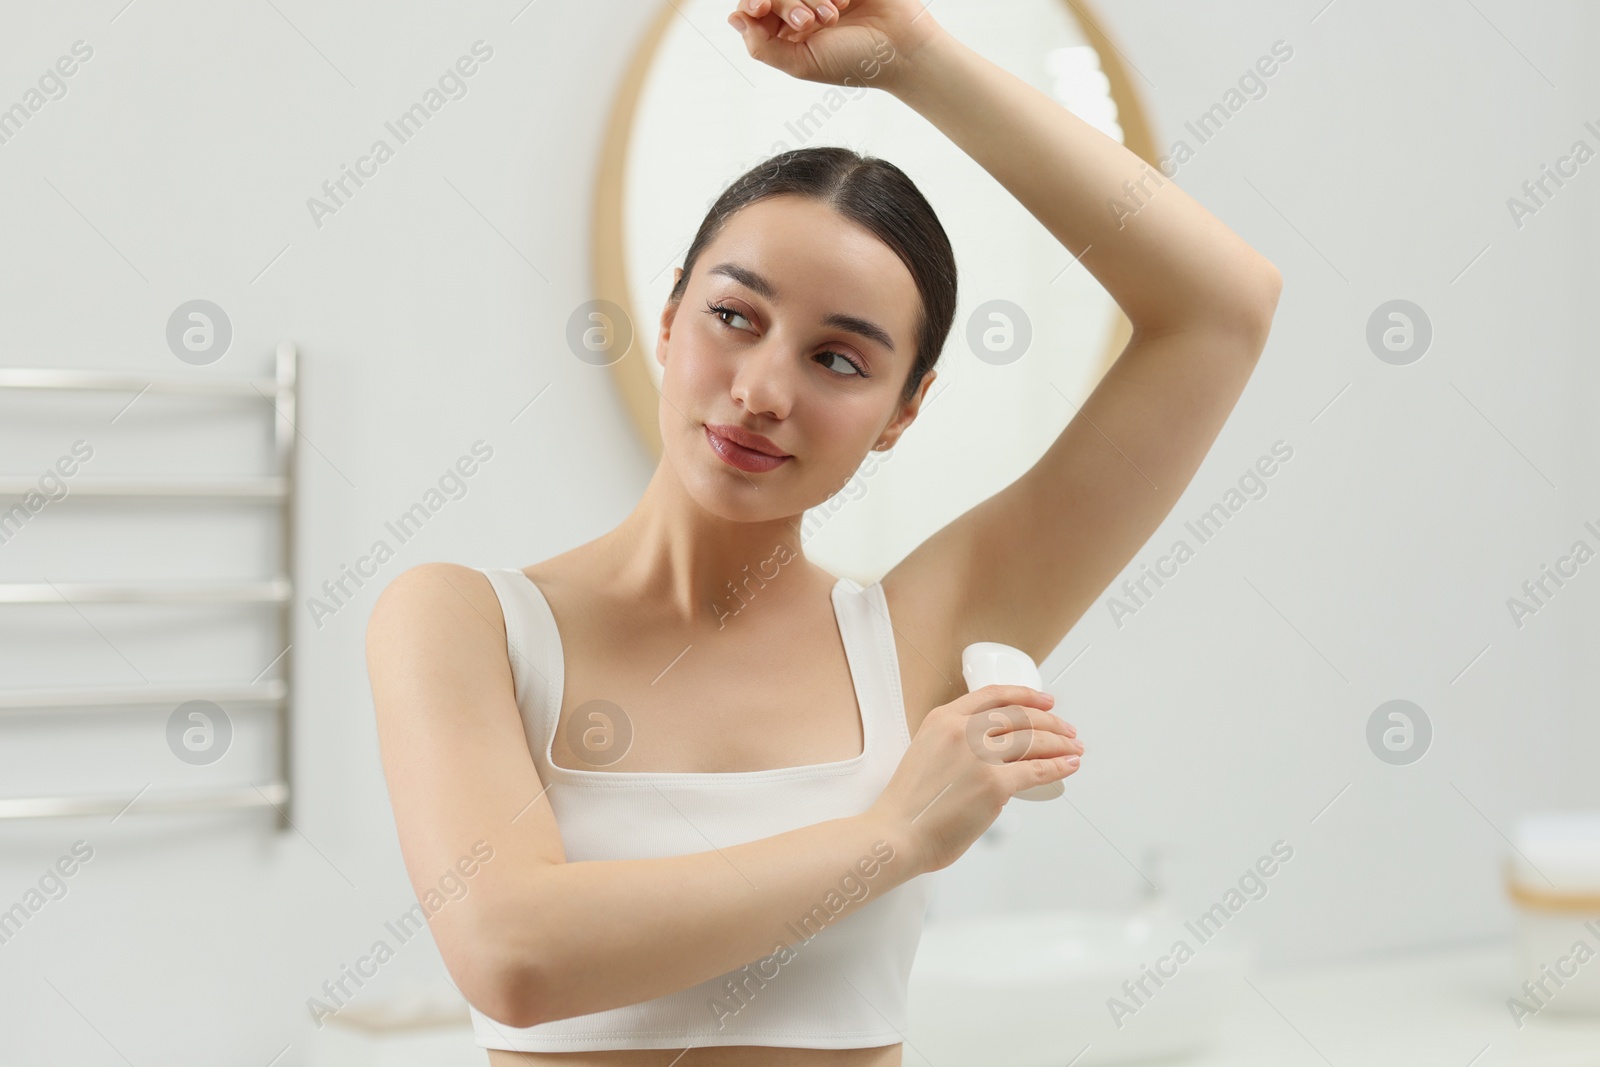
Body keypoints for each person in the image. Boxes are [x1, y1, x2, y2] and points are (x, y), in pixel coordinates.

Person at [366, 0, 1280, 1063]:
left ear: (904, 409)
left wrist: (915, 58)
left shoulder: (916, 633)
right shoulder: (463, 622)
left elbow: (1224, 306)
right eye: (735, 316)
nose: (761, 391)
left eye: (838, 359)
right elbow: (514, 953)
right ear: (669, 318)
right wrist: (891, 835)